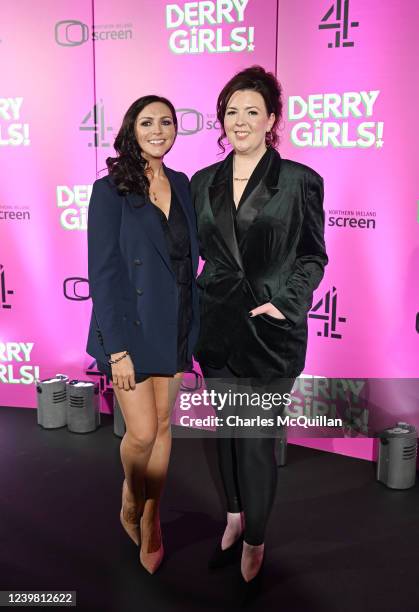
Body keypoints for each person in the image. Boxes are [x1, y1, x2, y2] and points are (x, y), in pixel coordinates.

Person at [190, 66, 328, 584]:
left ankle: (254, 539)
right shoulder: (202, 182)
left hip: (270, 334)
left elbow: (312, 256)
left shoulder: (299, 180)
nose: (240, 121)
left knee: (253, 439)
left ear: (272, 120)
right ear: (221, 120)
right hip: (219, 329)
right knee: (227, 433)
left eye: (252, 111)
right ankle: (231, 519)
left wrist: (286, 303)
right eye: (232, 111)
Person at [86, 95, 199, 574]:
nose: (159, 130)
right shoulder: (109, 190)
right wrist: (117, 351)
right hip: (130, 329)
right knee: (143, 432)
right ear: (132, 130)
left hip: (175, 323)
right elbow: (105, 273)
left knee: (165, 428)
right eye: (148, 122)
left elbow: (189, 260)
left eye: (167, 122)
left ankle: (151, 518)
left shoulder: (183, 184)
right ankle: (131, 497)